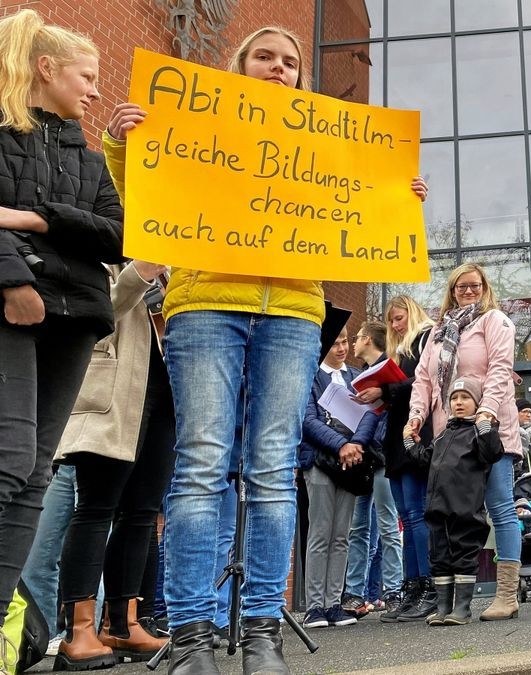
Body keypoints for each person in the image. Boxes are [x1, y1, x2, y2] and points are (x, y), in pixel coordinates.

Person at [102, 26, 428, 675]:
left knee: (274, 472)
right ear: (239, 68)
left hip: (291, 313)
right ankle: (192, 635)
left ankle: (260, 636)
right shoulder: (198, 129)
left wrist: (398, 198)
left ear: (299, 80)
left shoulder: (321, 148)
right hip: (205, 305)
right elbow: (148, 195)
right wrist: (120, 141)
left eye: (290, 61)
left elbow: (362, 206)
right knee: (200, 466)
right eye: (265, 57)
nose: (279, 67)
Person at [0, 8, 123, 646]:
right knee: (9, 460)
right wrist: (13, 282)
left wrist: (31, 219)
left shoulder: (91, 158)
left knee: (35, 473)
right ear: (46, 69)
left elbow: (120, 233)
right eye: (88, 75)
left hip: (75, 319)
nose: (96, 91)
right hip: (16, 310)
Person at [53, 260, 173, 670]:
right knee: (95, 507)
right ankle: (78, 631)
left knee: (142, 512)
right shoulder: (97, 246)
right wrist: (141, 272)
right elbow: (99, 309)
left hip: (163, 389)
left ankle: (122, 624)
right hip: (113, 386)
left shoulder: (170, 257)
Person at [405, 262, 523, 621]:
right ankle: (453, 602)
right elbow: (423, 380)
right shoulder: (440, 331)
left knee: (500, 507)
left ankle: (506, 595)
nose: (468, 291)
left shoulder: (495, 321)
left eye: (474, 285)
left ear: (484, 287)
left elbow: (501, 368)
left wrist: (485, 411)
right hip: (450, 437)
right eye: (461, 287)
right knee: (454, 516)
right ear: (452, 291)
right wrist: (415, 418)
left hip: (490, 428)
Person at [354, 296, 436, 623]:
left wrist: (384, 392)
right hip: (395, 440)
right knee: (405, 514)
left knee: (416, 514)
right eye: (391, 321)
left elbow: (425, 381)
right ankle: (412, 587)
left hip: (416, 433)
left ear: (412, 314)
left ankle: (427, 587)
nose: (396, 326)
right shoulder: (398, 351)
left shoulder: (426, 339)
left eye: (399, 318)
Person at [298, 329, 382, 630]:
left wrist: (356, 444)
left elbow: (370, 413)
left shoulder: (357, 377)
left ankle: (334, 603)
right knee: (321, 532)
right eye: (335, 343)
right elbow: (307, 420)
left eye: (345, 342)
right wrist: (341, 445)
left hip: (352, 462)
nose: (341, 348)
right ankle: (314, 607)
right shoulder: (310, 376)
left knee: (342, 534)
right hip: (321, 461)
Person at [406, 376, 504, 626]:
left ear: (477, 402)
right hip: (438, 510)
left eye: (465, 398)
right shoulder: (442, 436)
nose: (459, 403)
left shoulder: (479, 433)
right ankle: (442, 607)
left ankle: (462, 608)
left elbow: (493, 452)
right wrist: (409, 441)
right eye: (454, 398)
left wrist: (484, 425)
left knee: (463, 555)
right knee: (438, 557)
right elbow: (425, 459)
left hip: (465, 511)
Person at [342, 320, 404, 617]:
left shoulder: (387, 373)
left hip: (379, 456)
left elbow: (384, 415)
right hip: (362, 458)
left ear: (367, 340)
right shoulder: (358, 376)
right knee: (358, 529)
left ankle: (393, 590)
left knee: (388, 527)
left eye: (356, 338)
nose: (353, 343)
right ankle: (355, 592)